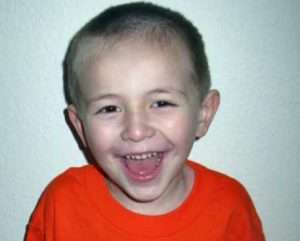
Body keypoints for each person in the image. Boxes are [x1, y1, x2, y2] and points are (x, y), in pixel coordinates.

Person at [25, 2, 265, 241]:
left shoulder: (230, 207)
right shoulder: (62, 203)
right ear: (80, 126)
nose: (136, 131)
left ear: (203, 114)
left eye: (161, 103)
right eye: (109, 108)